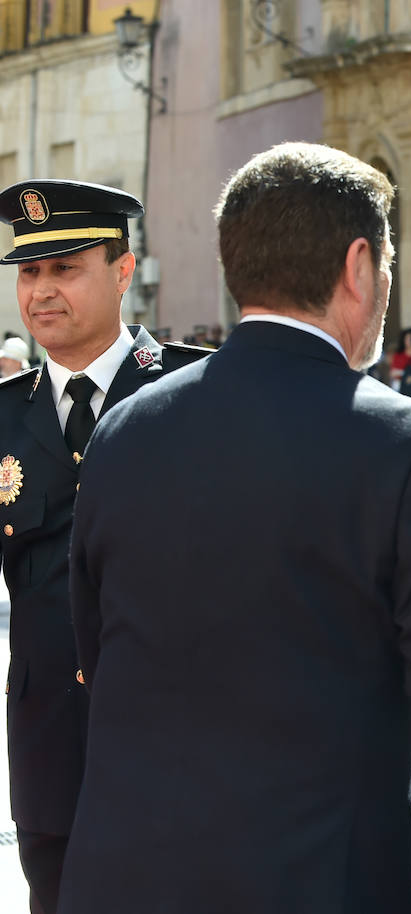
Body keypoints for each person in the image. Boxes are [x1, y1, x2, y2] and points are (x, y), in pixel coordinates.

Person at [57, 143, 411, 913]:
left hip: (122, 879)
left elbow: (96, 654)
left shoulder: (123, 429)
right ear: (359, 265)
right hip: (316, 885)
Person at [0, 179, 209, 914]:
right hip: (50, 749)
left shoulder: (198, 393)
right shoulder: (2, 416)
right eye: (29, 273)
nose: (41, 292)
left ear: (123, 272)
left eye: (65, 269)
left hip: (182, 746)